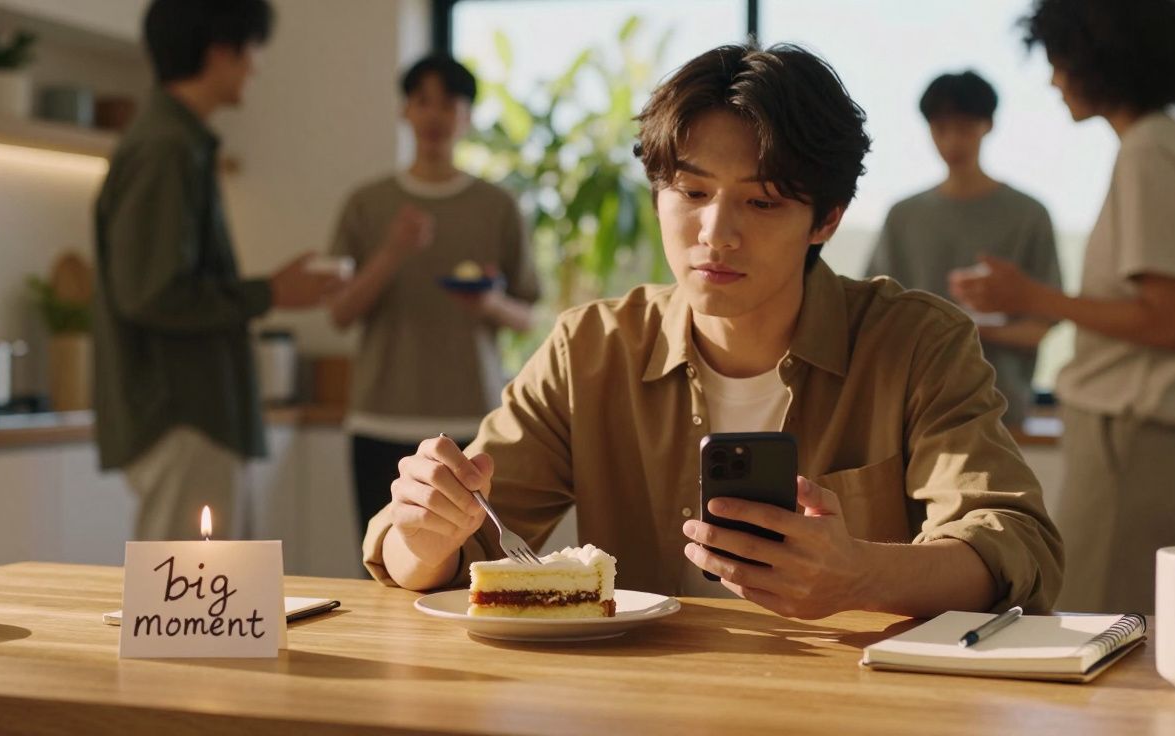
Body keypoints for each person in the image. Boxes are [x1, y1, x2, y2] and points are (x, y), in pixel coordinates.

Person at [365, 43, 1063, 620]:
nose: (715, 235)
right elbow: (436, 556)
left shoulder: (915, 343)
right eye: (692, 193)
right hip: (651, 703)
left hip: (859, 701)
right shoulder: (592, 350)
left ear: (826, 219)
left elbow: (1016, 543)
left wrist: (861, 574)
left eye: (760, 202)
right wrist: (425, 540)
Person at [951, 0, 1175, 613]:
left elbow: (1171, 319)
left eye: (1058, 60)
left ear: (1101, 60)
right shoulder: (1161, 142)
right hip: (1137, 432)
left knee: (1096, 622)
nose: (1052, 78)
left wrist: (1031, 297)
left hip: (1129, 428)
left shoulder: (1150, 150)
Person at [93, 0, 341, 541]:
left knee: (203, 605)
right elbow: (151, 292)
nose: (255, 67)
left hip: (189, 414)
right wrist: (269, 291)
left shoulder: (175, 140)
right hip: (183, 413)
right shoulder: (167, 146)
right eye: (251, 51)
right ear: (221, 50)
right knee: (189, 610)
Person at [328, 54, 539, 543]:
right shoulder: (368, 203)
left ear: (467, 117)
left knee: (472, 566)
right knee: (382, 560)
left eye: (449, 102)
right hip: (378, 416)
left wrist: (489, 304)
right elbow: (340, 313)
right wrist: (392, 251)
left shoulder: (496, 205)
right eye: (422, 100)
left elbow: (528, 314)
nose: (435, 114)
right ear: (405, 111)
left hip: (472, 420)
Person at [866, 70, 1061, 426]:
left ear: (986, 125)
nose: (952, 141)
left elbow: (1041, 325)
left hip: (1000, 405)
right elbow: (874, 315)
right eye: (941, 129)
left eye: (965, 127)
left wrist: (971, 329)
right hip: (912, 403)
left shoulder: (1028, 215)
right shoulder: (903, 216)